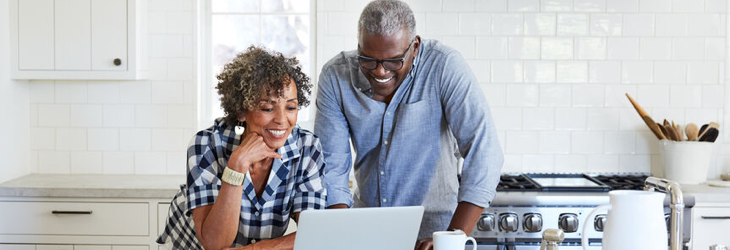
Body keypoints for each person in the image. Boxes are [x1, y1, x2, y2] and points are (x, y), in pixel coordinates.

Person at [314, 0, 504, 249]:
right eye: (368, 60)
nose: (380, 72)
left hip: (437, 233)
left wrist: (452, 239)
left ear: (414, 46)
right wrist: (343, 235)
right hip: (368, 233)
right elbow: (332, 169)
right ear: (358, 45)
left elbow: (485, 153)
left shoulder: (444, 66)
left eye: (393, 61)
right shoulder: (336, 77)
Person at [157, 46, 326, 250]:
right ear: (241, 111)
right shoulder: (207, 144)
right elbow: (214, 243)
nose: (282, 120)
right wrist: (236, 166)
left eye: (291, 107)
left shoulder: (307, 148)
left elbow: (314, 235)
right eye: (267, 108)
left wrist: (255, 249)